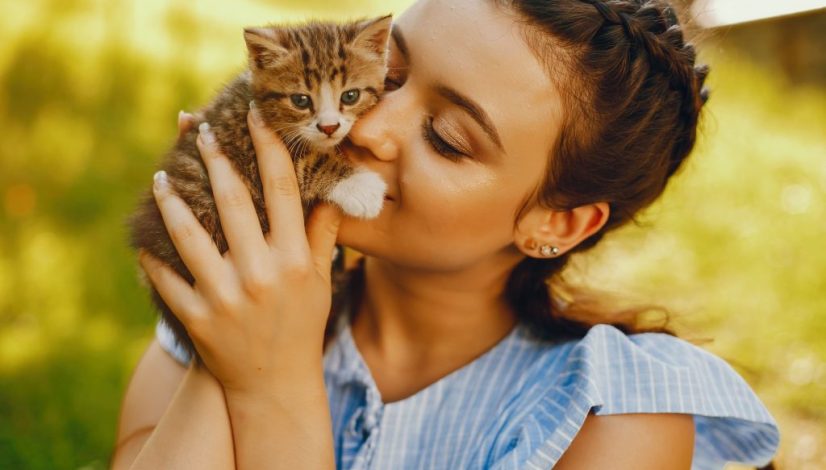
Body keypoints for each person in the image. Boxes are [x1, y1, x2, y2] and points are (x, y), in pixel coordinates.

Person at [111, 0, 780, 468]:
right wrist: (234, 308)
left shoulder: (617, 419)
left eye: (447, 139)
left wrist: (268, 386)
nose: (365, 129)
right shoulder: (231, 308)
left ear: (558, 223)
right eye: (386, 77)